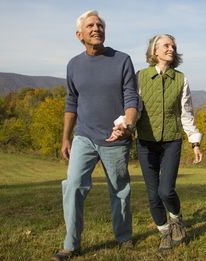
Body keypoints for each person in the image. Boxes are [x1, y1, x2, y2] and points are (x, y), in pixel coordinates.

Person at [52, 10, 139, 260]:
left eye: (99, 25)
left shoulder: (122, 59)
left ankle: (123, 238)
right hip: (84, 136)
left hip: (115, 137)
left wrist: (128, 124)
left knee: (119, 189)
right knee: (74, 186)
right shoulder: (74, 65)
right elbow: (71, 102)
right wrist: (66, 137)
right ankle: (71, 245)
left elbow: (131, 97)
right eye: (90, 25)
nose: (96, 28)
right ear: (80, 35)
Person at [135, 34, 203, 250]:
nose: (171, 48)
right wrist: (124, 127)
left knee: (166, 191)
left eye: (173, 46)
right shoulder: (140, 76)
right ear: (154, 51)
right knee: (153, 194)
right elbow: (133, 109)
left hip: (172, 141)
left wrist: (195, 142)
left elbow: (186, 113)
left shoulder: (181, 79)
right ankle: (164, 232)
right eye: (166, 45)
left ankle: (176, 219)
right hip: (145, 142)